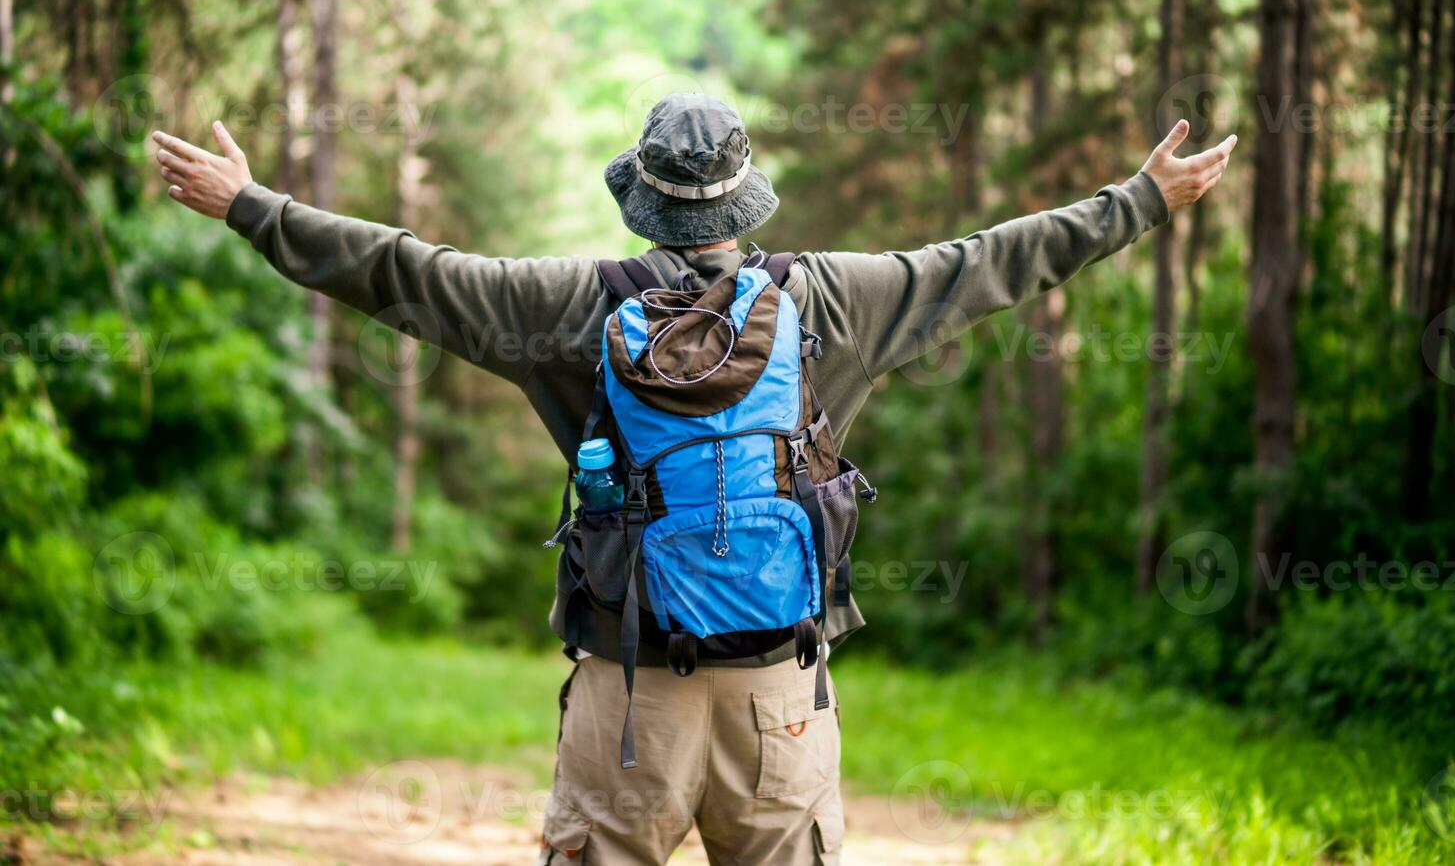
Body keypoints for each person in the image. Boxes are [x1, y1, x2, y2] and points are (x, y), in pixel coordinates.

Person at [151, 93, 1234, 865]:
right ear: (744, 200)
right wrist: (1138, 198)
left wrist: (253, 204)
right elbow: (992, 259)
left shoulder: (567, 303)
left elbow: (404, 272)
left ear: (644, 201)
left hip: (629, 691)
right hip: (781, 696)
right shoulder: (837, 301)